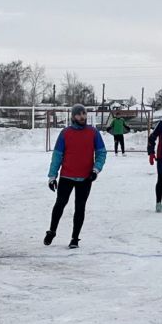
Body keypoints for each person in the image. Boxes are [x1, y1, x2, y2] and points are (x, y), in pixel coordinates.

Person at [45, 104, 107, 249]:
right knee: (59, 204)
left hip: (85, 178)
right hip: (66, 176)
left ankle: (74, 238)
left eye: (84, 114)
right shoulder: (65, 133)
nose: (82, 117)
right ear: (73, 117)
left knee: (80, 208)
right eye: (79, 114)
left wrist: (95, 170)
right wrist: (52, 176)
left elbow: (101, 152)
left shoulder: (93, 132)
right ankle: (52, 231)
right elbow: (57, 156)